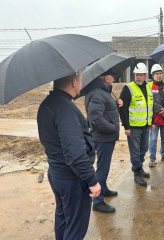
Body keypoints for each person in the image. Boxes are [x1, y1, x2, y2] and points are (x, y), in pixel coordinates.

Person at [37, 71, 101, 240]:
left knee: (64, 217)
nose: (81, 82)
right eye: (80, 79)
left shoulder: (47, 104)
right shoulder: (66, 109)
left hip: (57, 173)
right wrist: (92, 181)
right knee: (75, 227)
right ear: (74, 82)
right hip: (72, 178)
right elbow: (75, 154)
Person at [83, 69, 123, 213]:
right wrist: (112, 128)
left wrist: (115, 106)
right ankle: (98, 201)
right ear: (106, 78)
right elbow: (96, 118)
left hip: (105, 137)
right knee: (102, 168)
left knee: (104, 166)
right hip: (103, 137)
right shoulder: (97, 94)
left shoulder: (102, 92)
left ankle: (103, 189)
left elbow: (105, 112)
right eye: (113, 76)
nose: (114, 79)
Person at [119, 62, 155, 186]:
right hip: (133, 127)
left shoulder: (149, 88)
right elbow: (123, 109)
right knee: (135, 150)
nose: (138, 77)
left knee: (144, 148)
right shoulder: (128, 89)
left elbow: (151, 106)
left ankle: (139, 167)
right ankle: (136, 172)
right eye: (136, 75)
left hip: (146, 125)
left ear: (145, 76)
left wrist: (152, 122)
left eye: (141, 75)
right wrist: (126, 127)